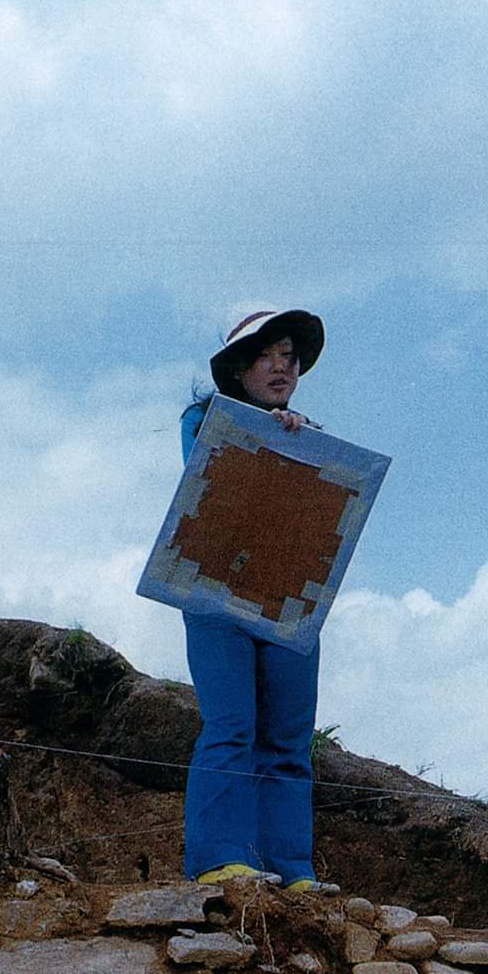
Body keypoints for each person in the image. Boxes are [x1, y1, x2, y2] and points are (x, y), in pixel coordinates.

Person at [179, 307, 337, 894]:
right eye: (266, 356)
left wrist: (298, 440)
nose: (280, 367)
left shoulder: (313, 437)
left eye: (288, 357)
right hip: (217, 594)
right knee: (231, 725)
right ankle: (220, 860)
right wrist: (265, 435)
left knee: (289, 740)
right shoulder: (203, 419)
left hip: (286, 599)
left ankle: (291, 868)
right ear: (239, 368)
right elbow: (207, 479)